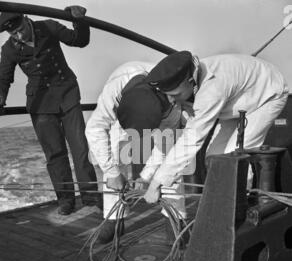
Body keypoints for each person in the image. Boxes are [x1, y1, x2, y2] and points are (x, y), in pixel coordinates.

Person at [0, 8, 102, 215]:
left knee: (80, 149)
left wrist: (79, 21)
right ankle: (66, 200)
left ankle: (90, 197)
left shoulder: (47, 26)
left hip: (67, 94)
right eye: (14, 34)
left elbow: (78, 40)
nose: (20, 36)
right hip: (40, 103)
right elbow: (3, 76)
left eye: (21, 29)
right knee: (55, 154)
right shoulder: (9, 49)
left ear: (26, 19)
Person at [142, 51, 289, 203]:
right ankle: (222, 202)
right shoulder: (196, 80)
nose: (171, 100)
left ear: (190, 80)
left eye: (175, 94)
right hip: (236, 100)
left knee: (234, 159)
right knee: (214, 158)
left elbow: (192, 139)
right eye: (167, 95)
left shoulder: (212, 89)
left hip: (268, 95)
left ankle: (238, 208)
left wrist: (156, 182)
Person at [85, 61, 190, 243]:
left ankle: (175, 217)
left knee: (172, 163)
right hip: (124, 108)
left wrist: (146, 177)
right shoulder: (114, 91)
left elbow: (165, 147)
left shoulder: (170, 106)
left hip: (158, 111)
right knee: (115, 155)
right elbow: (94, 129)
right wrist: (112, 173)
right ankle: (113, 219)